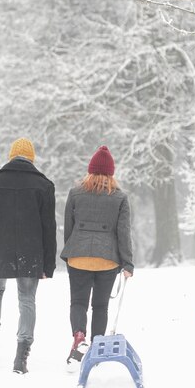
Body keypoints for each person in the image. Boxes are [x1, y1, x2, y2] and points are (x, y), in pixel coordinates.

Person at [0, 137, 57, 374]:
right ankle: (21, 355)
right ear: (31, 158)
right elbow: (49, 228)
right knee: (27, 300)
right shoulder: (44, 186)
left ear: (11, 156)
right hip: (31, 251)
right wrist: (49, 265)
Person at [60, 145, 134, 366]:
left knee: (78, 302)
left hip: (78, 256)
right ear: (111, 172)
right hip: (107, 259)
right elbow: (123, 232)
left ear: (90, 171)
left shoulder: (75, 193)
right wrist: (127, 262)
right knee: (100, 306)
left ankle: (79, 336)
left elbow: (68, 226)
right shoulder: (119, 197)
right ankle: (97, 347)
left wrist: (71, 252)